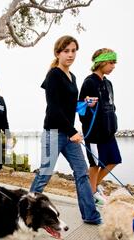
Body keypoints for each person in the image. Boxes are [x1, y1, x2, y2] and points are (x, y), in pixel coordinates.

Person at [29, 35, 102, 225]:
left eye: (73, 51)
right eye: (66, 51)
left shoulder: (73, 77)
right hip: (54, 133)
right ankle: (25, 210)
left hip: (69, 134)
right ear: (58, 53)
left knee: (82, 173)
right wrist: (72, 132)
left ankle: (91, 215)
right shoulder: (53, 75)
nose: (70, 54)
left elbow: (70, 106)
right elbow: (54, 109)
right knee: (44, 175)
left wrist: (84, 103)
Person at [79, 48, 121, 206]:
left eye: (114, 63)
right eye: (111, 62)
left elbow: (112, 105)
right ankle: (92, 194)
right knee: (95, 164)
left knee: (114, 160)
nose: (113, 66)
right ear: (101, 62)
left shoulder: (108, 83)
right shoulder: (89, 82)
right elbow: (79, 107)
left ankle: (93, 186)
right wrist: (87, 103)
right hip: (94, 133)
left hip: (109, 132)